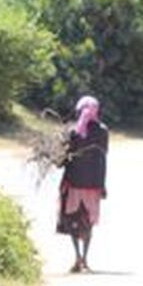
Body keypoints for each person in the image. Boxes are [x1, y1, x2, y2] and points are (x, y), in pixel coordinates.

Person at [58, 95, 109, 273]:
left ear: (80, 109)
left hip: (73, 183)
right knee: (88, 222)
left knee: (72, 221)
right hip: (93, 185)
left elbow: (62, 159)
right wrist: (103, 185)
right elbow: (103, 159)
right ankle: (85, 259)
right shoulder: (103, 131)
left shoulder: (73, 131)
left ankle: (77, 257)